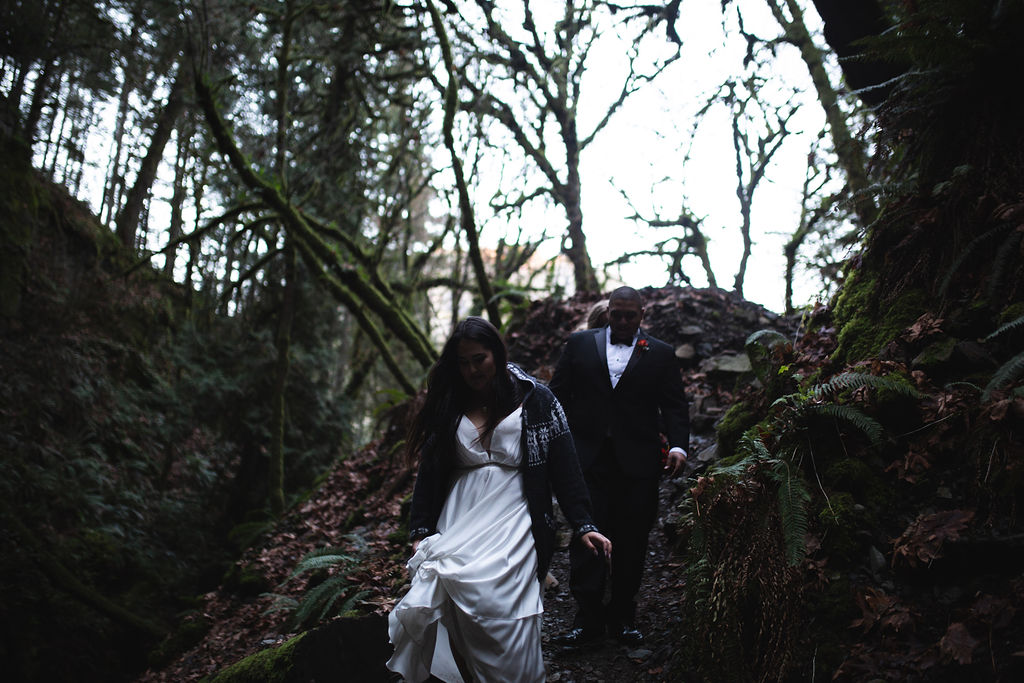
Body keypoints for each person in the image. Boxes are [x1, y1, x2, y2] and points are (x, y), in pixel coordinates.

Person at [387, 316, 612, 682]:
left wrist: (583, 523)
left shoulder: (536, 398)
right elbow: (429, 474)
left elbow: (565, 467)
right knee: (455, 603)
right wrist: (420, 529)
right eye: (463, 362)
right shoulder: (448, 402)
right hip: (460, 518)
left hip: (517, 515)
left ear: (497, 353)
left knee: (506, 606)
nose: (472, 369)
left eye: (480, 358)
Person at [548, 286, 690, 647]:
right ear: (608, 312)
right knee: (586, 539)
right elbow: (557, 395)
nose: (623, 321)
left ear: (642, 315)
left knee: (632, 540)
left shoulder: (660, 353)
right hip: (587, 460)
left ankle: (623, 616)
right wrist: (552, 444)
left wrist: (678, 446)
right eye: (617, 314)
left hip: (638, 464)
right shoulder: (579, 344)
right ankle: (587, 620)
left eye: (631, 315)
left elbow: (675, 405)